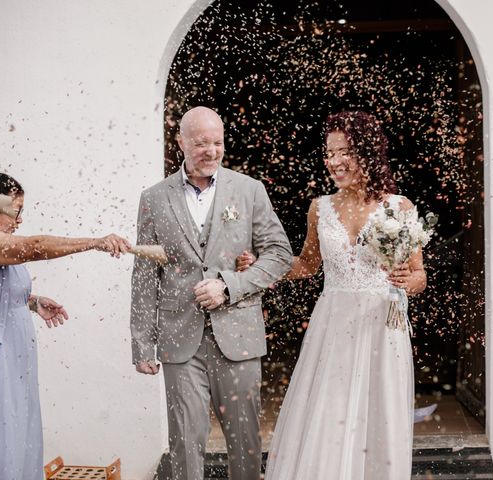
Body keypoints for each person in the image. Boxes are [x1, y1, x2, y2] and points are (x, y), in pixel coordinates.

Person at [130, 106, 292, 480]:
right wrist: (142, 343)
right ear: (181, 142)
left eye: (218, 143)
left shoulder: (249, 190)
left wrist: (228, 286)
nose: (212, 151)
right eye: (202, 143)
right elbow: (144, 273)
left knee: (245, 439)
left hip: (238, 334)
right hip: (179, 338)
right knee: (185, 439)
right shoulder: (153, 198)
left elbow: (279, 255)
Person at [262, 111, 426, 480]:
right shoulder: (319, 208)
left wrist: (406, 279)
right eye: (329, 153)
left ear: (366, 153)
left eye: (344, 152)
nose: (333, 162)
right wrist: (260, 266)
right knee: (329, 414)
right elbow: (305, 265)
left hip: (382, 330)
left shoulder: (400, 207)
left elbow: (419, 276)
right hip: (333, 327)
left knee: (377, 412)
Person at [0, 171, 131, 480]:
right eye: (15, 211)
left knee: (18, 441)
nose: (19, 221)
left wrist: (31, 302)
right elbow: (35, 247)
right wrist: (94, 242)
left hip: (15, 364)